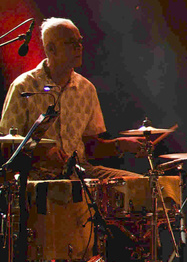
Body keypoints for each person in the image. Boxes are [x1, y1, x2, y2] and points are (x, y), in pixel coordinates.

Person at [1, 18, 148, 179]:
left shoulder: (86, 88)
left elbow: (90, 147)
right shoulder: (23, 86)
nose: (79, 47)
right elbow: (7, 146)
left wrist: (121, 144)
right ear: (51, 49)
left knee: (140, 184)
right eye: (70, 42)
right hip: (37, 174)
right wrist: (41, 153)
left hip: (80, 170)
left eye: (79, 42)